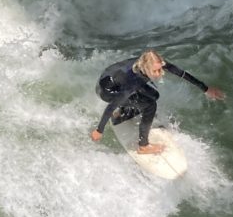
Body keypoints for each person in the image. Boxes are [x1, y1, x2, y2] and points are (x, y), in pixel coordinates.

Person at [90, 50, 225, 155]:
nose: (160, 73)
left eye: (160, 68)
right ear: (146, 68)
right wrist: (99, 130)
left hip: (113, 80)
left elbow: (182, 74)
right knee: (150, 105)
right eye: (156, 71)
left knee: (153, 95)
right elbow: (111, 105)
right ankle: (143, 146)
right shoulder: (133, 80)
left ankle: (122, 113)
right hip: (107, 91)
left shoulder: (153, 63)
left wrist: (206, 89)